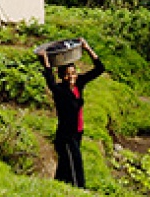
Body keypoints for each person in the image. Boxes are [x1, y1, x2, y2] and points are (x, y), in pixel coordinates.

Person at [39, 37, 104, 188]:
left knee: (64, 167)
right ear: (62, 76)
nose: (71, 78)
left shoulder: (78, 84)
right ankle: (80, 191)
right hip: (66, 137)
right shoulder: (60, 91)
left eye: (73, 73)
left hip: (78, 133)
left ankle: (55, 188)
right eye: (67, 75)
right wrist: (46, 60)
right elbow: (50, 80)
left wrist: (87, 48)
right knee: (76, 166)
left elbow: (99, 69)